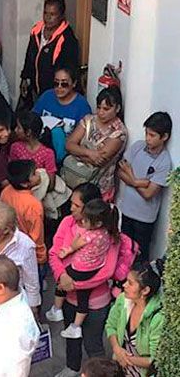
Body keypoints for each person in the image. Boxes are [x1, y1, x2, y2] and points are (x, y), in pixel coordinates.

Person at [49, 183, 121, 377]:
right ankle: (72, 368)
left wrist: (73, 284)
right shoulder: (67, 223)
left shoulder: (109, 234)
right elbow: (54, 254)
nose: (71, 208)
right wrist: (62, 276)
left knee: (93, 344)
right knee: (72, 338)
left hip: (96, 302)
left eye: (76, 205)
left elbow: (107, 271)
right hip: (69, 297)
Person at [118, 112, 173, 263]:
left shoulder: (164, 162)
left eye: (152, 135)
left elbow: (149, 193)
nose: (147, 138)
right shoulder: (138, 147)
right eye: (146, 133)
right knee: (123, 251)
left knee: (139, 256)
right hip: (127, 211)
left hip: (144, 218)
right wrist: (139, 181)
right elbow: (120, 171)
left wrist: (133, 179)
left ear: (164, 137)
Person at [65, 87, 127, 202]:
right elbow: (69, 145)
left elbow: (99, 160)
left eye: (106, 109)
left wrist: (77, 152)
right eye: (98, 108)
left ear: (117, 108)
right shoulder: (88, 120)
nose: (101, 112)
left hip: (99, 190)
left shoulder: (119, 132)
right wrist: (89, 153)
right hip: (75, 182)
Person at [106, 260, 164, 377]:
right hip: (120, 367)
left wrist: (124, 357)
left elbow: (153, 359)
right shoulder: (123, 300)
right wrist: (116, 348)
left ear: (145, 290)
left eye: (130, 283)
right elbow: (110, 325)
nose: (124, 285)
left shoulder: (157, 318)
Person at [0, 202, 41, 313]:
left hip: (9, 302)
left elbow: (32, 283)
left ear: (6, 230)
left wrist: (33, 310)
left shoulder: (25, 246)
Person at [21, 0, 79, 98]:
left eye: (52, 14)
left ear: (61, 16)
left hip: (54, 92)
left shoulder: (67, 39)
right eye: (45, 13)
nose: (48, 18)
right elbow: (29, 56)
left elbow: (68, 71)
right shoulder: (36, 31)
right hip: (35, 90)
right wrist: (24, 78)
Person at [32, 67, 92, 164]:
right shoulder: (47, 96)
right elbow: (32, 120)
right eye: (56, 83)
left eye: (64, 84)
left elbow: (84, 138)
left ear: (74, 83)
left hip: (65, 156)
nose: (59, 87)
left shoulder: (81, 106)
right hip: (41, 149)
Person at [0, 160, 47, 270]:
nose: (39, 174)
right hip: (29, 249)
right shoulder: (33, 205)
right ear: (24, 183)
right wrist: (41, 257)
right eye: (34, 174)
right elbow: (37, 235)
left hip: (11, 245)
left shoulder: (6, 191)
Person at [10, 110, 57, 188]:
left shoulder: (48, 153)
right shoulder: (15, 148)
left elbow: (51, 184)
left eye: (18, 128)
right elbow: (13, 174)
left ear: (28, 132)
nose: (15, 130)